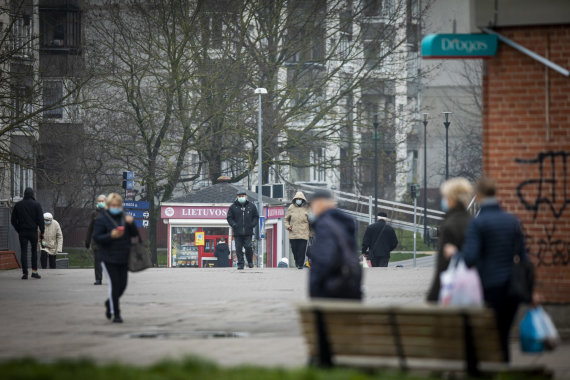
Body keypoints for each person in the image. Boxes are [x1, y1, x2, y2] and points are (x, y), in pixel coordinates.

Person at [444, 177, 528, 362]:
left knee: (485, 336)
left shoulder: (478, 223)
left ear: (478, 195)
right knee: (503, 336)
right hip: (512, 288)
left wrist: (455, 254)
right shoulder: (512, 221)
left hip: (488, 287)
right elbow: (524, 257)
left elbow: (470, 259)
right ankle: (503, 368)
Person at [93, 193, 138, 323]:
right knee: (114, 284)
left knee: (123, 285)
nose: (116, 207)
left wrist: (132, 223)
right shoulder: (102, 219)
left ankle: (109, 303)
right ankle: (116, 313)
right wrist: (111, 235)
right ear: (108, 206)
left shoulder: (125, 218)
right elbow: (97, 237)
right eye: (113, 205)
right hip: (108, 258)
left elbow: (134, 235)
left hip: (123, 257)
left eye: (118, 205)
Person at [308, 189, 362, 300]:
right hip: (349, 288)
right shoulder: (341, 223)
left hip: (330, 291)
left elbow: (325, 259)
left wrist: (314, 288)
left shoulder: (325, 225)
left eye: (312, 205)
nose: (311, 210)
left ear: (320, 203)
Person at [426, 178, 473, 302]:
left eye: (445, 196)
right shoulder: (473, 221)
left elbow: (443, 264)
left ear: (452, 198)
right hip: (472, 286)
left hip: (453, 288)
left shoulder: (449, 225)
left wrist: (433, 296)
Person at [11, 187, 45, 280]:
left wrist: (19, 229)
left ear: (24, 194)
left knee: (24, 252)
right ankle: (34, 272)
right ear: (32, 194)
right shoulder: (37, 205)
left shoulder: (18, 205)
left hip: (22, 232)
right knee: (34, 252)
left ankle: (25, 273)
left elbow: (13, 220)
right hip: (33, 231)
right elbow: (40, 220)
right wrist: (42, 231)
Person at [226, 190, 259, 270]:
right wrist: (234, 225)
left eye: (243, 196)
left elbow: (256, 216)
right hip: (237, 232)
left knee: (248, 247)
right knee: (238, 248)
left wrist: (252, 224)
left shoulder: (251, 206)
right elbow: (229, 218)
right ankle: (240, 264)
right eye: (240, 196)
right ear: (237, 197)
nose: (241, 197)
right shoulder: (233, 207)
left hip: (248, 232)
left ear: (246, 196)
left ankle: (250, 261)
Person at [285, 191, 310, 269]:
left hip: (303, 233)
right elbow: (286, 219)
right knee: (294, 249)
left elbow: (311, 220)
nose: (298, 200)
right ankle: (297, 261)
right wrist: (287, 226)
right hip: (293, 233)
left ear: (303, 200)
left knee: (301, 250)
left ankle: (300, 264)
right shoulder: (291, 207)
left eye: (300, 199)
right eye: (297, 199)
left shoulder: (307, 208)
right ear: (295, 199)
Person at [86, 194, 107, 285]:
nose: (101, 203)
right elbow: (90, 228)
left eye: (103, 201)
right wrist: (87, 241)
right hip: (97, 242)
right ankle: (98, 279)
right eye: (99, 201)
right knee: (98, 261)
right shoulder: (94, 213)